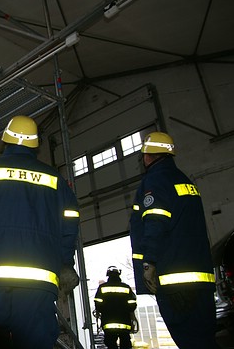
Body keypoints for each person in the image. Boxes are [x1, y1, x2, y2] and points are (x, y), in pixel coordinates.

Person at [0, 115, 81, 349]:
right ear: (36, 144)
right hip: (38, 281)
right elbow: (70, 221)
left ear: (6, 140)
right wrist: (64, 262)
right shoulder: (54, 179)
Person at [129, 131, 219, 348]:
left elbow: (155, 222)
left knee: (191, 341)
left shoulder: (155, 181)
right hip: (202, 282)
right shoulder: (184, 181)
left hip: (175, 282)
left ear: (148, 157)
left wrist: (149, 262)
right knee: (205, 340)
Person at [93, 266, 137, 349]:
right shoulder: (126, 287)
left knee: (110, 343)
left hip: (108, 321)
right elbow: (132, 303)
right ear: (118, 274)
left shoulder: (102, 288)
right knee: (125, 343)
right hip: (124, 321)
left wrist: (103, 311)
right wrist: (128, 311)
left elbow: (98, 303)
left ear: (108, 275)